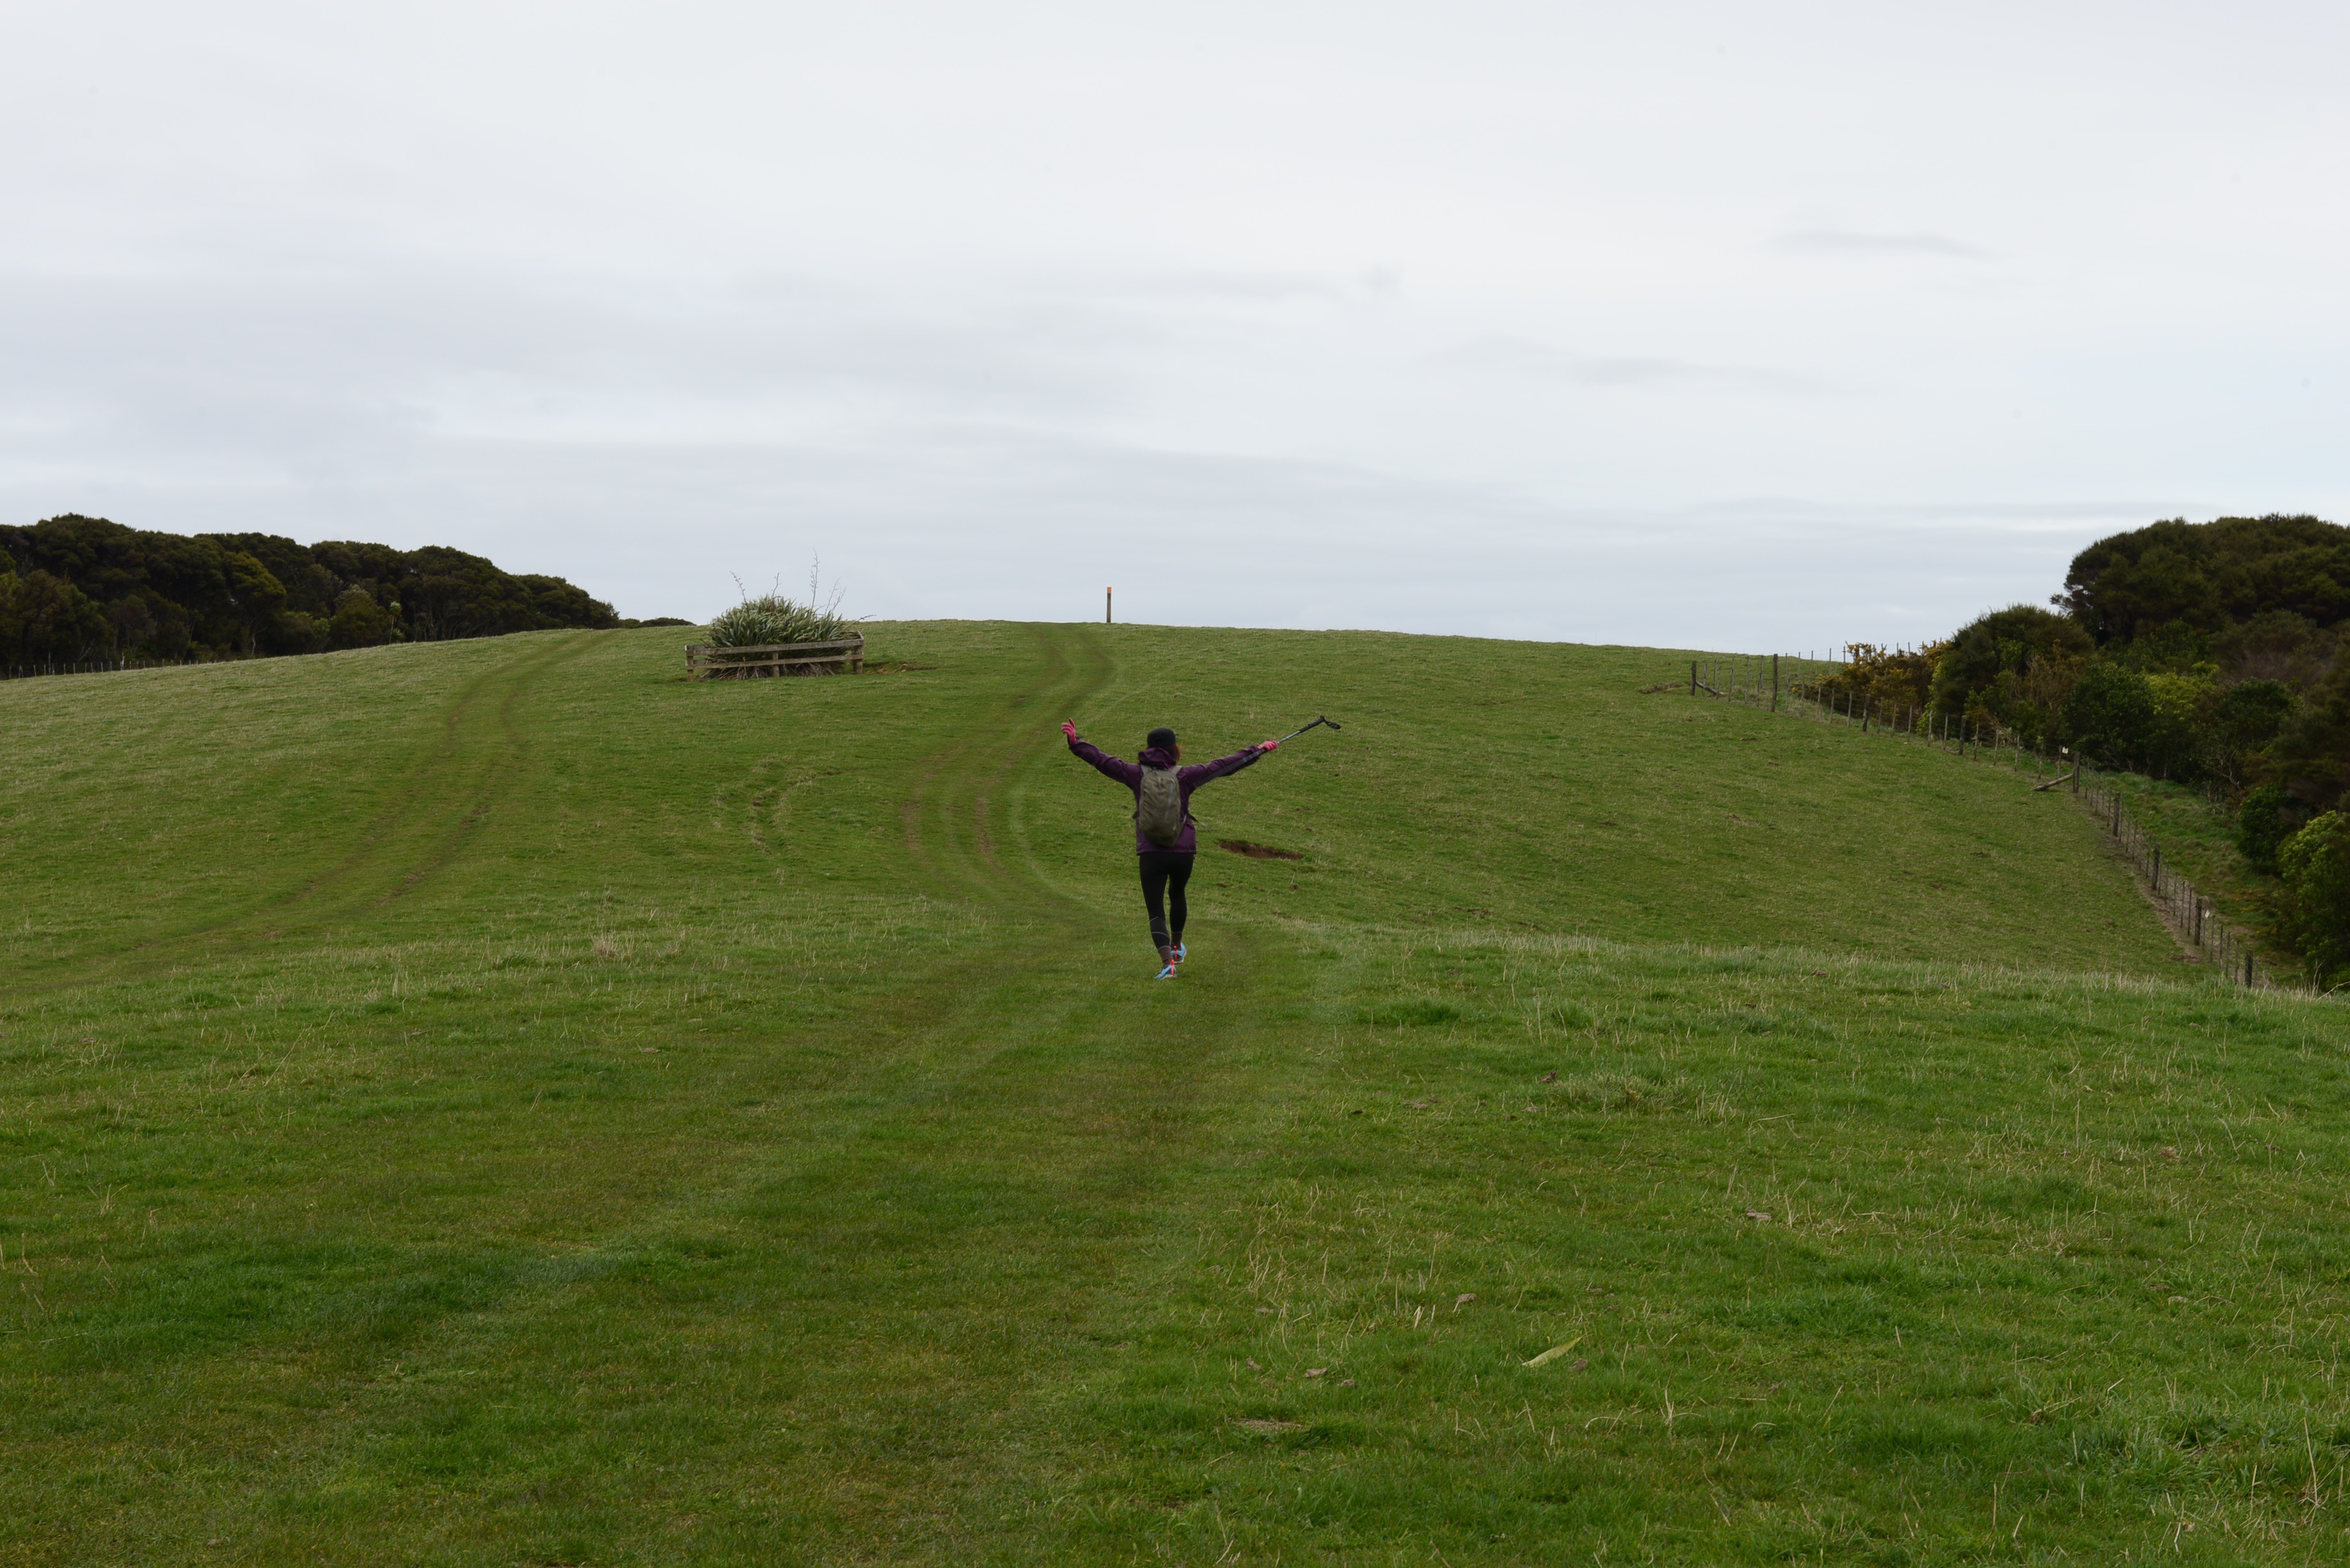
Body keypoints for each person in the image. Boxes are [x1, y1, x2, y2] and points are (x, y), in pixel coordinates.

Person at [1061, 720, 1280, 979]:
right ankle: (1177, 947)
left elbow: (1102, 761)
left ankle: (1168, 964)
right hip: (1183, 852)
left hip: (1151, 852)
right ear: (1173, 748)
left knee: (1155, 910)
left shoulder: (1134, 773)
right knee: (1177, 894)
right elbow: (1223, 766)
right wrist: (1258, 750)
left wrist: (1076, 743)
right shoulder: (1186, 775)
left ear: (1148, 748)